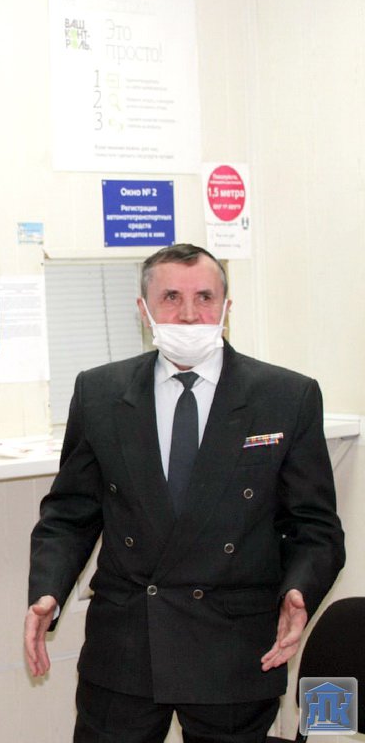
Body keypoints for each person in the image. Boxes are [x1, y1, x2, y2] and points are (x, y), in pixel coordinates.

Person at [25, 243, 345, 742]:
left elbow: (315, 526)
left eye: (205, 297)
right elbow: (70, 513)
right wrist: (48, 589)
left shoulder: (286, 396)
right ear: (144, 309)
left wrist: (300, 589)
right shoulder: (100, 392)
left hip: (233, 647)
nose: (190, 314)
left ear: (227, 307)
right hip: (126, 647)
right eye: (171, 297)